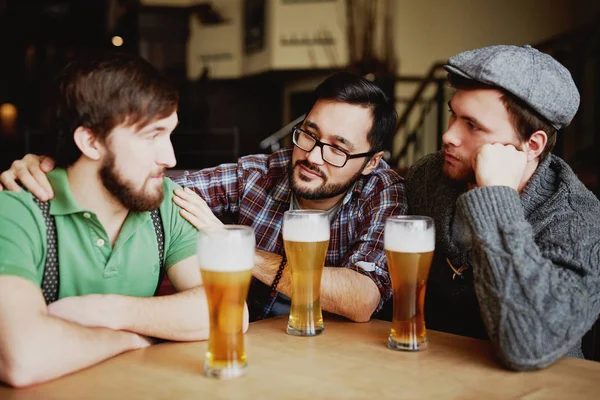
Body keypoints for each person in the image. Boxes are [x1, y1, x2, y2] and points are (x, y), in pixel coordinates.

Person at [1, 72, 405, 323]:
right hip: (255, 352)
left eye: (337, 148)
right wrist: (65, 165)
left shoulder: (381, 190)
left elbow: (362, 299)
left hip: (337, 361)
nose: (312, 156)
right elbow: (161, 181)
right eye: (309, 134)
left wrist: (236, 247)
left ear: (371, 162)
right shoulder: (263, 173)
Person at [0, 53, 219, 387]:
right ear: (91, 141)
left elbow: (226, 313)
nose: (170, 157)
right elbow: (22, 358)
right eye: (152, 135)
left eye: (170, 134)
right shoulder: (16, 210)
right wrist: (132, 340)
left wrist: (108, 311)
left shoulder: (167, 201)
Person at [405, 44, 600, 370]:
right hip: (430, 375)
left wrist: (497, 197)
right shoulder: (428, 177)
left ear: (532, 145)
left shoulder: (580, 219)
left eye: (473, 125)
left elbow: (527, 345)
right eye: (453, 113)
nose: (448, 135)